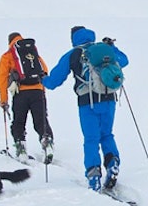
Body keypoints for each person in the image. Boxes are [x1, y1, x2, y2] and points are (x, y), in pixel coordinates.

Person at [44, 25, 129, 191]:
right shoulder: (102, 50)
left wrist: (43, 80)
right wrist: (112, 46)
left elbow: (54, 81)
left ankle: (94, 176)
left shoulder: (74, 54)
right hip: (109, 98)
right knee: (107, 134)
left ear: (73, 38)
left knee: (91, 139)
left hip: (87, 102)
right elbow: (124, 61)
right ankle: (113, 164)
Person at [0, 32, 54, 161]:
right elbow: (44, 70)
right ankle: (47, 142)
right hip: (38, 91)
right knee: (41, 120)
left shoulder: (7, 56)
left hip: (20, 93)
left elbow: (2, 80)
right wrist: (42, 90)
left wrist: (3, 100)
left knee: (19, 122)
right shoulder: (33, 52)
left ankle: (21, 147)